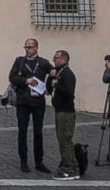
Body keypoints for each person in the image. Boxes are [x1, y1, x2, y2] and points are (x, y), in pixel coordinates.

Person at [8, 38, 53, 173]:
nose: (27, 49)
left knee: (38, 132)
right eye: (26, 47)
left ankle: (39, 161)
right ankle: (24, 161)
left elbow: (53, 75)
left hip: (38, 102)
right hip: (23, 101)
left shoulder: (43, 63)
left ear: (36, 48)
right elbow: (12, 77)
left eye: (30, 47)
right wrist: (26, 80)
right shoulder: (19, 61)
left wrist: (48, 89)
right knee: (22, 131)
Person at [48, 50, 78, 180]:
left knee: (65, 140)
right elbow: (48, 89)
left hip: (66, 112)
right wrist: (50, 77)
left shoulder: (68, 74)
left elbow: (70, 92)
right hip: (59, 110)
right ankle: (71, 165)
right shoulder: (58, 73)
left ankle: (68, 169)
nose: (54, 60)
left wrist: (57, 85)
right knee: (62, 140)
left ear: (64, 60)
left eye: (56, 58)